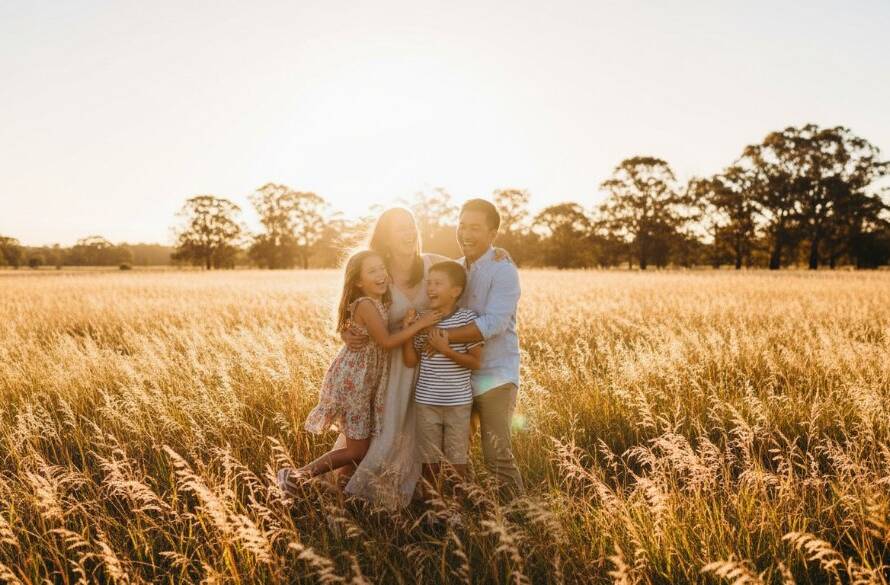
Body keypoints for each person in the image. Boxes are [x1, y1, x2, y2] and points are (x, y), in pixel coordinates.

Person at [277, 250, 440, 493]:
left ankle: (342, 493)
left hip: (365, 382)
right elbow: (385, 341)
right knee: (357, 449)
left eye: (382, 268)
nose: (381, 274)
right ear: (358, 281)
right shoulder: (366, 304)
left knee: (360, 444)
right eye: (372, 271)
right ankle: (295, 476)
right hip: (355, 381)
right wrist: (420, 325)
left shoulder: (379, 300)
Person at [428, 198, 524, 499]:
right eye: (462, 225)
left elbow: (493, 322)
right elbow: (419, 264)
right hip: (459, 374)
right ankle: (465, 512)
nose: (465, 233)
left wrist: (443, 337)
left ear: (492, 232)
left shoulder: (503, 270)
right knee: (456, 452)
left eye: (475, 228)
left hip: (496, 374)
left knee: (497, 454)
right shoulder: (455, 268)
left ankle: (518, 518)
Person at [402, 261, 482, 499]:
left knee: (457, 461)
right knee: (429, 462)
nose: (430, 288)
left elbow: (476, 362)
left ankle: (458, 511)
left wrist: (445, 349)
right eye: (429, 283)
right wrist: (409, 331)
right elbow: (410, 360)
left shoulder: (467, 318)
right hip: (426, 403)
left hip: (458, 403)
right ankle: (434, 511)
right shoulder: (424, 320)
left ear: (455, 291)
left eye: (438, 283)